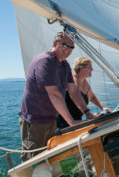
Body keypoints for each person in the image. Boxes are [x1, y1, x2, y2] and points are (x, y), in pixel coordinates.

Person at [18, 32, 95, 162]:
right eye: (65, 45)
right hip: (35, 122)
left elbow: (74, 92)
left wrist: (87, 113)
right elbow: (54, 93)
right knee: (34, 161)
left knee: (51, 157)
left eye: (71, 47)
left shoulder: (64, 65)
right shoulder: (44, 62)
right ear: (55, 44)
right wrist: (71, 122)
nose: (68, 49)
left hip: (51, 120)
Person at [57, 56, 112, 129]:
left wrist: (102, 108)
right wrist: (88, 114)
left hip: (76, 122)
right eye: (90, 67)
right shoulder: (71, 80)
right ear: (81, 68)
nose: (92, 69)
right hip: (63, 124)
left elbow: (91, 96)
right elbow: (75, 96)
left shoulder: (84, 81)